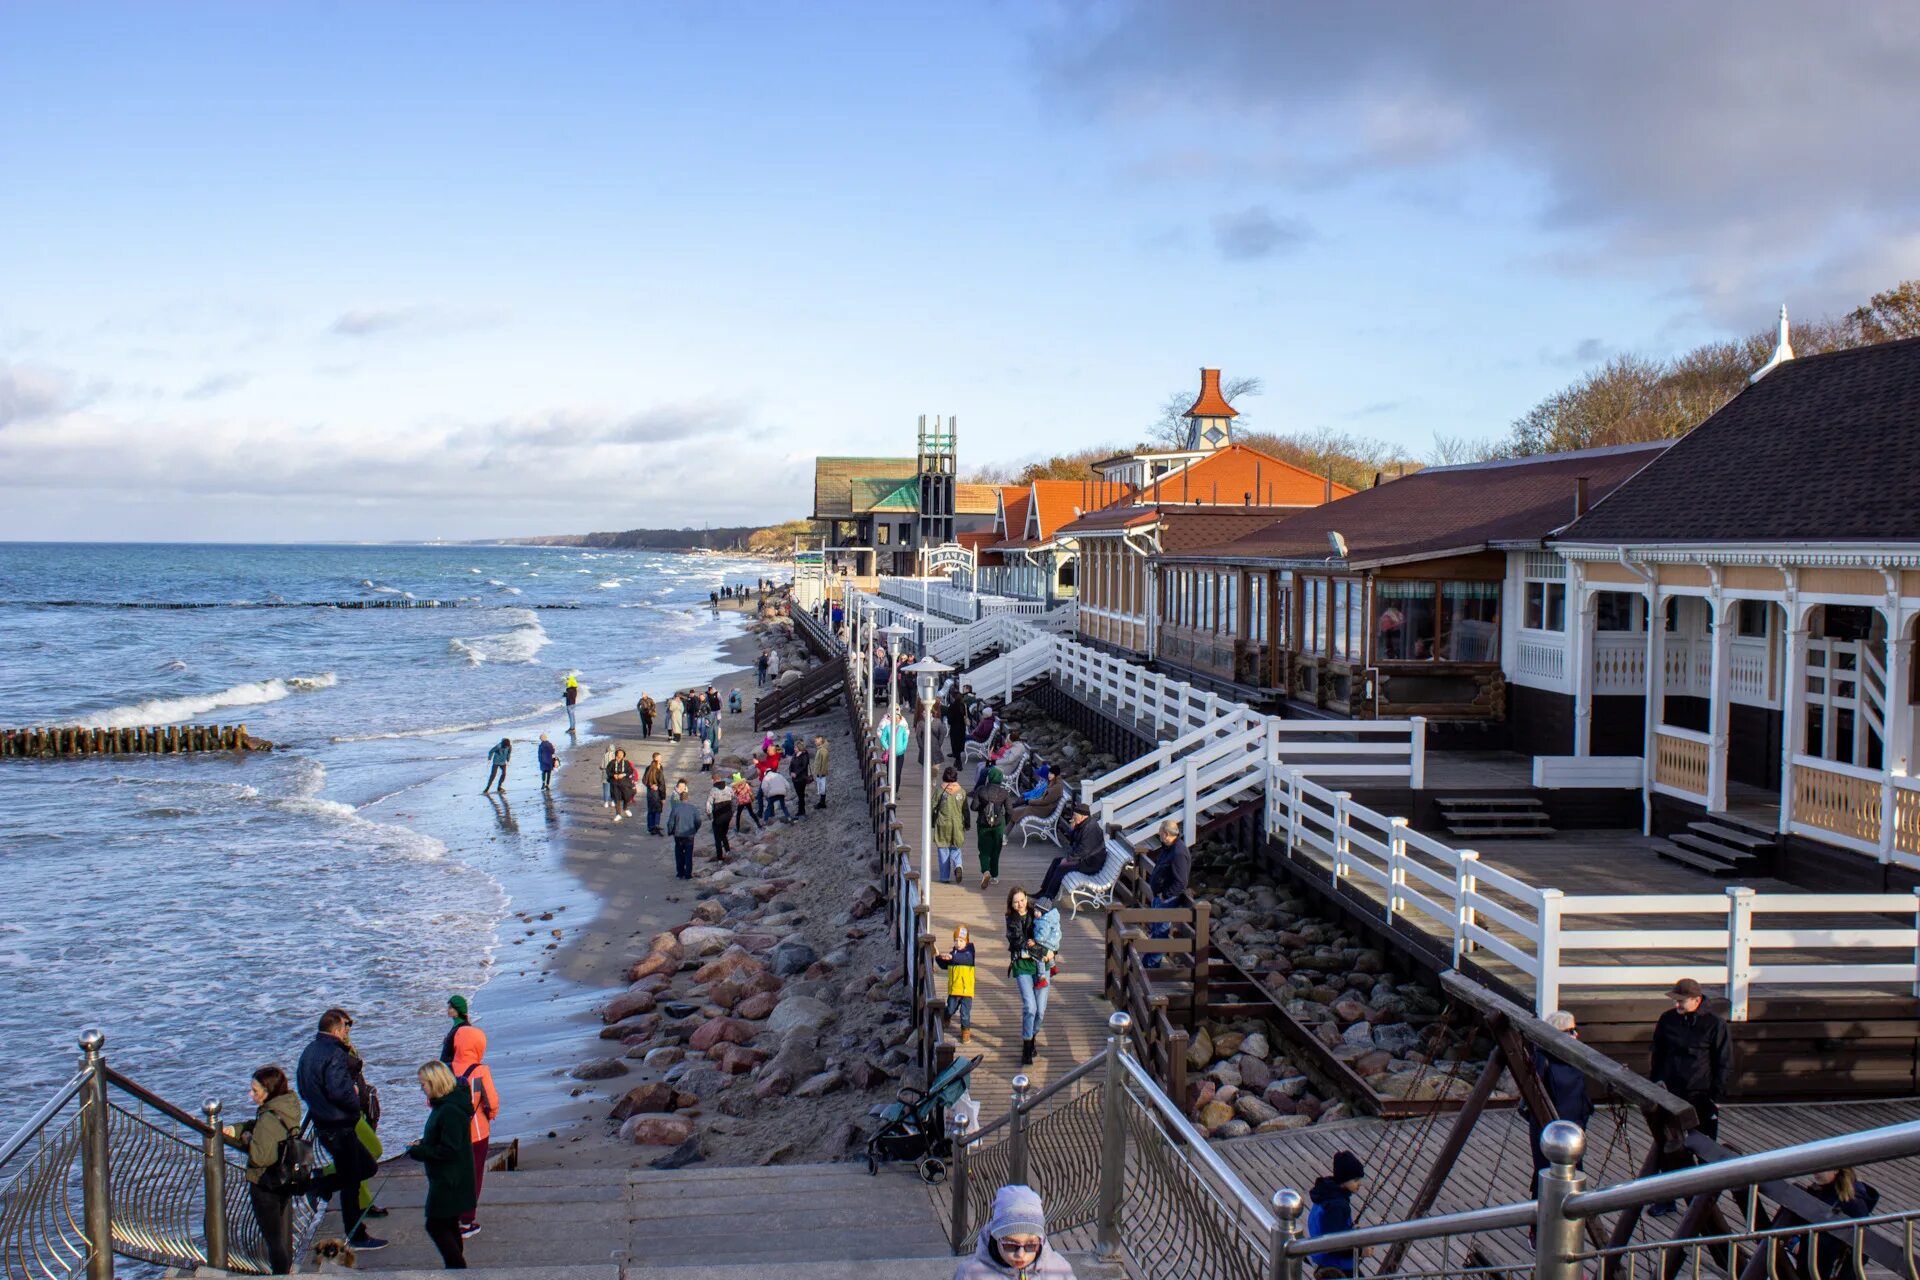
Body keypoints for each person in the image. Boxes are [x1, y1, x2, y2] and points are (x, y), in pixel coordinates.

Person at [296, 1009, 386, 1250]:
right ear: (336, 1030)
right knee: (352, 1182)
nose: (347, 1031)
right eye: (346, 1027)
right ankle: (356, 1235)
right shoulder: (335, 1053)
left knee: (366, 1167)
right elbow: (339, 1091)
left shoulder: (309, 1051)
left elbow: (303, 1088)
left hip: (324, 1124)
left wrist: (321, 1106)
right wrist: (355, 1098)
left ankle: (322, 1184)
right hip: (339, 1125)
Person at [1647, 977, 1732, 1217]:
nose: (1677, 1005)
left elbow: (1724, 1062)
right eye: (1676, 1001)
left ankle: (1704, 1203)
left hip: (1700, 1096)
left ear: (1696, 1000)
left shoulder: (1715, 1024)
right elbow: (1658, 1054)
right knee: (1667, 1147)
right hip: (1670, 1094)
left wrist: (1715, 1096)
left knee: (1704, 1149)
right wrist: (1655, 1086)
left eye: (1681, 1001)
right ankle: (1666, 1199)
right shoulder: (1667, 1020)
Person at [405, 1062, 476, 1269]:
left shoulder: (449, 1110)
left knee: (435, 1224)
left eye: (423, 1084)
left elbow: (449, 1150)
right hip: (450, 1176)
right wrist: (424, 1144)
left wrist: (419, 1151)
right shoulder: (445, 1105)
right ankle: (456, 1268)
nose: (422, 1089)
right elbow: (445, 1141)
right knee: (448, 1223)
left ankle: (457, 1268)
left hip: (450, 1179)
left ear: (435, 1083)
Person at [236, 1065, 302, 1274]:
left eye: (255, 1091)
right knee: (280, 1237)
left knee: (274, 1241)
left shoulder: (267, 1119)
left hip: (265, 1185)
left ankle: (281, 1275)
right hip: (285, 1179)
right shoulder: (288, 1106)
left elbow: (259, 1157)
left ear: (268, 1092)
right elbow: (264, 1128)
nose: (251, 1094)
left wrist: (246, 1138)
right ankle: (285, 1271)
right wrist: (245, 1128)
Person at [1521, 1011, 1594, 1197]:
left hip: (1574, 1125)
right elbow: (1532, 1093)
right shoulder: (1541, 1059)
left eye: (1576, 1029)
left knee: (1574, 1174)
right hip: (1548, 1125)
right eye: (1571, 1031)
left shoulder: (1575, 1056)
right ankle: (1538, 1221)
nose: (1576, 1035)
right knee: (1546, 1174)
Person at [952, 1183, 1077, 1279]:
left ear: (1041, 1240)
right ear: (995, 1237)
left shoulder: (1059, 1269)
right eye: (1010, 1245)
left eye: (1031, 1245)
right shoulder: (970, 1274)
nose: (1020, 1254)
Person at [448, 1024, 498, 1238]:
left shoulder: (444, 1069)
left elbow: (432, 1102)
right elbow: (492, 1101)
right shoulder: (480, 1071)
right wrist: (491, 1114)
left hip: (450, 1133)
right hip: (476, 1133)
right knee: (473, 1176)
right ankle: (466, 1222)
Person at [1790, 1168, 1881, 1280]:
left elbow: (1863, 1248)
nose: (1815, 1170)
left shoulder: (1852, 1202)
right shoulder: (1819, 1191)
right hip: (1810, 1267)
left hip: (1826, 1271)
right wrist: (1795, 1242)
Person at [1307, 1151, 1367, 1278]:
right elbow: (1335, 1243)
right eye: (1355, 1180)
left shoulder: (1326, 1195)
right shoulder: (1336, 1206)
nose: (1359, 1183)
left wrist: (1349, 1230)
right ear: (1344, 1180)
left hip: (1324, 1260)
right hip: (1336, 1266)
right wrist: (1361, 1251)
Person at [1141, 819, 1190, 969]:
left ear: (1167, 834)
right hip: (1159, 896)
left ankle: (1151, 964)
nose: (1159, 836)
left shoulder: (1178, 852)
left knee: (1161, 933)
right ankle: (1148, 963)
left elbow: (1181, 882)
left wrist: (1165, 895)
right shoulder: (1169, 848)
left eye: (1160, 833)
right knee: (1155, 930)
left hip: (1167, 899)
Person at [1037, 804, 1102, 901]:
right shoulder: (1082, 824)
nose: (1073, 817)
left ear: (1083, 816)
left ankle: (1048, 897)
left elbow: (1084, 850)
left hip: (1090, 863)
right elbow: (1073, 841)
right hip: (1083, 858)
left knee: (1061, 868)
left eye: (1075, 815)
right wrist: (1072, 829)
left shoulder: (1090, 828)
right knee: (1056, 861)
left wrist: (1068, 859)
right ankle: (1043, 892)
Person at [971, 766, 1015, 890]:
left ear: (989, 777)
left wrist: (982, 805)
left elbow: (973, 807)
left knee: (984, 850)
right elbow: (1010, 811)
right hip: (998, 824)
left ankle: (985, 871)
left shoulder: (981, 790)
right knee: (996, 850)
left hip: (983, 823)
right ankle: (994, 876)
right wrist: (1004, 822)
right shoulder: (1004, 792)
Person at [936, 926, 976, 1045]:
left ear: (966, 942)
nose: (958, 943)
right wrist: (938, 957)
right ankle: (946, 1017)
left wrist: (952, 957)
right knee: (950, 1009)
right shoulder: (952, 953)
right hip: (954, 990)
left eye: (961, 941)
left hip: (966, 991)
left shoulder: (970, 953)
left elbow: (965, 959)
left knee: (965, 1014)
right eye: (956, 940)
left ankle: (965, 1032)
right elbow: (944, 966)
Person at [933, 766, 969, 884]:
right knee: (956, 848)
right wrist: (967, 823)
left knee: (943, 850)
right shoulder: (962, 792)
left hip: (943, 824)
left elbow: (932, 807)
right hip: (957, 823)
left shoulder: (939, 791)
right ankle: (958, 865)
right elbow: (966, 810)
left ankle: (944, 877)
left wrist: (932, 821)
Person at [665, 779, 700, 879]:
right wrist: (695, 829)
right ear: (687, 799)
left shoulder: (676, 809)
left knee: (679, 854)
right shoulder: (693, 808)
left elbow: (671, 822)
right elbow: (698, 821)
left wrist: (670, 831)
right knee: (689, 854)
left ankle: (680, 873)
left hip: (678, 834)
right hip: (689, 834)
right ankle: (688, 874)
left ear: (680, 799)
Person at [706, 775, 734, 860]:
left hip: (718, 817)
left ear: (713, 780)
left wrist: (709, 814)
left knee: (717, 837)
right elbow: (734, 799)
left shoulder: (713, 790)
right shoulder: (728, 788)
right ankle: (728, 850)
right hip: (728, 815)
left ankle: (720, 857)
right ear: (720, 779)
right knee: (724, 834)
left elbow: (709, 804)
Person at [439, 994, 471, 1065]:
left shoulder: (462, 1029)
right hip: (448, 1067)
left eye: (450, 1007)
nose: (448, 1010)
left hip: (452, 1069)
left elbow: (462, 1053)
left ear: (458, 1010)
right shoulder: (458, 1026)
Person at [607, 749, 637, 821]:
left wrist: (624, 774)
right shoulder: (612, 762)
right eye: (619, 753)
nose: (620, 754)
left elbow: (630, 771)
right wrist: (613, 775)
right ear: (616, 754)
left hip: (625, 783)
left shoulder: (626, 763)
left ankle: (625, 808)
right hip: (615, 784)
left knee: (627, 796)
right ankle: (618, 814)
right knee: (616, 798)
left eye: (622, 753)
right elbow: (608, 771)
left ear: (624, 755)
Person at [642, 753, 667, 835]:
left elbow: (644, 780)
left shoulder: (649, 768)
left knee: (651, 810)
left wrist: (650, 785)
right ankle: (656, 826)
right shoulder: (658, 770)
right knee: (657, 810)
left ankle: (650, 827)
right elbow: (662, 784)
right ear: (655, 758)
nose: (661, 759)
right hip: (657, 794)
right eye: (659, 757)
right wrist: (663, 797)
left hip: (650, 793)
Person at [789, 738, 811, 818]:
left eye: (795, 748)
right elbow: (791, 765)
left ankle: (802, 811)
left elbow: (804, 767)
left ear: (799, 748)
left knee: (801, 795)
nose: (794, 749)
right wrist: (791, 772)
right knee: (799, 795)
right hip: (794, 779)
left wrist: (796, 773)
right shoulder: (794, 755)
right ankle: (800, 810)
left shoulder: (804, 755)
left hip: (802, 778)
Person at [811, 734, 830, 808]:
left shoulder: (823, 750)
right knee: (821, 787)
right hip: (819, 772)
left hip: (821, 772)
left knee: (822, 787)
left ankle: (822, 803)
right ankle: (821, 802)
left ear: (820, 740)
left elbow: (824, 763)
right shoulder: (820, 749)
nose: (815, 742)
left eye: (816, 741)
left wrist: (821, 772)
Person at [599, 742, 615, 809]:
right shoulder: (614, 755)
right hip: (613, 774)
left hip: (605, 773)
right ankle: (612, 802)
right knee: (613, 789)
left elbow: (601, 766)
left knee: (606, 789)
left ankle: (606, 802)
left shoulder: (604, 755)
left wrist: (601, 768)